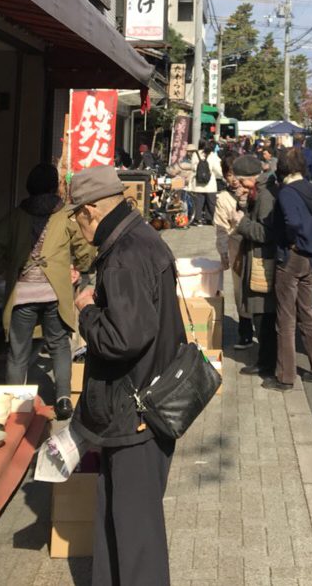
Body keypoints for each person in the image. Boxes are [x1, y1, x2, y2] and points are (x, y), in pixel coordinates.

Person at [69, 165, 185, 586]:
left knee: (136, 531)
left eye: (76, 216)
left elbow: (123, 338)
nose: (77, 226)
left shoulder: (123, 256)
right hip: (148, 401)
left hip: (135, 408)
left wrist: (86, 310)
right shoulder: (142, 237)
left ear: (91, 211)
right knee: (116, 513)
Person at [0, 164, 95, 420]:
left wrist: (3, 269)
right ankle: (64, 398)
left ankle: (15, 404)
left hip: (22, 293)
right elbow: (84, 248)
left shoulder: (17, 215)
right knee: (59, 345)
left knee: (17, 351)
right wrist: (81, 266)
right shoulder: (65, 215)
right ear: (55, 186)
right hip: (54, 291)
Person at [272, 147, 312, 389]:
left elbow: (292, 222)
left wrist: (290, 241)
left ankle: (286, 377)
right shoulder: (311, 188)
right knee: (308, 312)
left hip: (292, 255)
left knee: (285, 318)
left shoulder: (287, 192)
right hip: (310, 256)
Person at [234, 154, 279, 377]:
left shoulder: (265, 196)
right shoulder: (259, 192)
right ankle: (265, 360)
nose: (239, 186)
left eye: (242, 182)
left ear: (252, 178)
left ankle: (266, 363)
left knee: (263, 316)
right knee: (261, 315)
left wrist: (241, 222)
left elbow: (266, 232)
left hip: (263, 262)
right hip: (258, 259)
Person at [213, 158, 254, 349]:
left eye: (236, 174)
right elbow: (221, 227)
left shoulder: (255, 192)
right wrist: (223, 253)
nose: (234, 179)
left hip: (256, 246)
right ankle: (245, 333)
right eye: (229, 175)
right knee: (240, 291)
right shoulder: (223, 198)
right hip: (236, 246)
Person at [187, 143, 221, 225]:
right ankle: (210, 219)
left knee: (198, 202)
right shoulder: (213, 155)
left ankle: (197, 219)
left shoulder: (196, 154)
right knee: (211, 202)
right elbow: (217, 169)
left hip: (198, 182)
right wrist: (218, 176)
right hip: (210, 183)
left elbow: (192, 167)